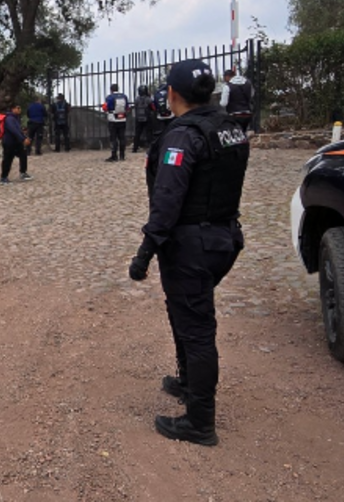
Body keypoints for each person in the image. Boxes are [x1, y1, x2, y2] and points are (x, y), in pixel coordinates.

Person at [128, 59, 250, 447]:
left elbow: (167, 199)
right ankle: (186, 381)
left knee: (196, 329)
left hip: (191, 245)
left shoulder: (183, 136)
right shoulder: (229, 128)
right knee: (183, 310)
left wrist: (145, 252)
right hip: (223, 238)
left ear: (172, 94)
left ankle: (200, 421)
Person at [0, 104, 32, 184]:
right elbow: (14, 131)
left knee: (23, 155)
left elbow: (19, 130)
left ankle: (23, 172)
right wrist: (23, 139)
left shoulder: (16, 118)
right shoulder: (9, 119)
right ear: (13, 109)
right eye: (18, 108)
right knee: (8, 159)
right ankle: (4, 177)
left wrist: (24, 137)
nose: (19, 109)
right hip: (9, 142)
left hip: (17, 142)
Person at [102, 83, 130, 162]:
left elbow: (105, 108)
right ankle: (122, 155)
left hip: (112, 119)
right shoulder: (124, 96)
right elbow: (127, 108)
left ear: (111, 90)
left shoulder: (109, 97)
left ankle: (114, 156)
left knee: (113, 138)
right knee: (122, 137)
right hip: (122, 119)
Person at [132, 86, 153, 153]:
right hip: (147, 118)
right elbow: (153, 107)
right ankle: (150, 147)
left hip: (138, 118)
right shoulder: (148, 99)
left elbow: (135, 107)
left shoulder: (137, 99)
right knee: (148, 133)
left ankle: (135, 148)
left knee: (137, 133)